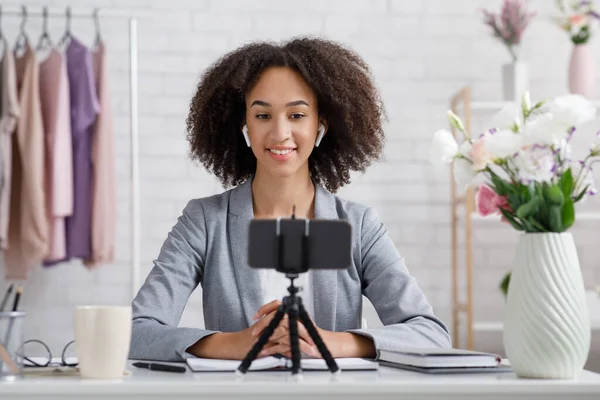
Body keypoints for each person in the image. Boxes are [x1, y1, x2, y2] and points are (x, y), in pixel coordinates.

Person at [129, 36, 451, 362]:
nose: (280, 133)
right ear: (243, 126)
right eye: (263, 115)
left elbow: (430, 334)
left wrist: (329, 343)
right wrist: (235, 344)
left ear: (321, 125)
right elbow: (136, 332)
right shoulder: (205, 221)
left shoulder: (359, 226)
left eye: (297, 115)